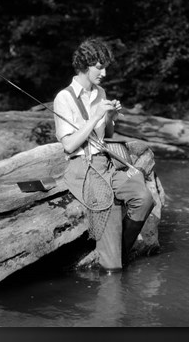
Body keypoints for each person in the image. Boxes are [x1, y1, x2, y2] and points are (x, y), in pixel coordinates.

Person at [53, 37, 154, 272]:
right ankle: (112, 269)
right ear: (84, 65)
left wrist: (109, 117)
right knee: (107, 203)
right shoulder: (64, 98)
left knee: (144, 197)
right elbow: (69, 145)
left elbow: (107, 133)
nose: (105, 73)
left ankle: (119, 252)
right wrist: (96, 115)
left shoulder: (100, 92)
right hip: (82, 166)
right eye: (99, 67)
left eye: (105, 67)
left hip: (105, 163)